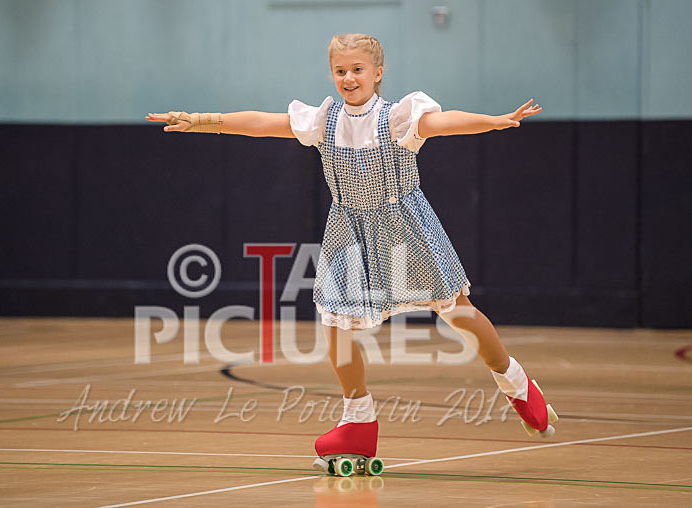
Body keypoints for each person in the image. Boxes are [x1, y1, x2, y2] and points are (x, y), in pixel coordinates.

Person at [146, 33, 556, 476]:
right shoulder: (324, 119)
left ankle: (516, 385)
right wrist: (202, 120)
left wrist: (493, 121)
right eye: (340, 70)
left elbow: (443, 123)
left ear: (378, 73)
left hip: (403, 226)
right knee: (335, 323)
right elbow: (262, 123)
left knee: (457, 312)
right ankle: (357, 418)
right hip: (348, 229)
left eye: (357, 69)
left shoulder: (399, 117)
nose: (348, 78)